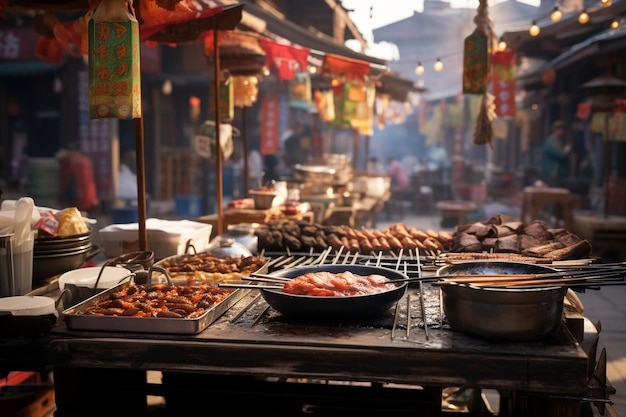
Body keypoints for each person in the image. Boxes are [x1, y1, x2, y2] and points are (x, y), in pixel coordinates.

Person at [542, 120, 571, 187]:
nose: (562, 132)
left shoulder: (558, 141)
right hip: (553, 173)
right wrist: (566, 150)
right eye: (560, 129)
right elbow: (560, 154)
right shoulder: (551, 142)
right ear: (555, 130)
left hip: (558, 173)